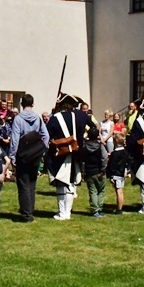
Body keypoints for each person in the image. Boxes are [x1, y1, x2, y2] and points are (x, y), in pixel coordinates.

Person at [46, 93, 92, 221]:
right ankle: (68, 212)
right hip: (76, 153)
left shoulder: (55, 118)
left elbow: (47, 134)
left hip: (60, 153)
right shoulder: (80, 116)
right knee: (71, 183)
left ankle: (62, 213)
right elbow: (93, 128)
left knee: (61, 183)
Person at [9, 93, 49, 223]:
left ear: (21, 104)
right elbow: (46, 135)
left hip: (23, 154)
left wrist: (12, 157)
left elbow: (15, 139)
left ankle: (26, 214)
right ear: (32, 104)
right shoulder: (38, 118)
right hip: (35, 154)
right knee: (32, 183)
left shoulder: (18, 119)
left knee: (23, 184)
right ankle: (30, 210)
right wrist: (42, 149)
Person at [82, 126, 106, 217]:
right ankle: (99, 208)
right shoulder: (100, 146)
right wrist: (103, 170)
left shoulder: (85, 146)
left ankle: (95, 210)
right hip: (99, 171)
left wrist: (83, 172)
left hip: (89, 171)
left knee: (93, 191)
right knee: (101, 191)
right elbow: (104, 158)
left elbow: (83, 160)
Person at [107, 133, 130, 214]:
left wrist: (111, 176)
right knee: (120, 190)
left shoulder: (115, 153)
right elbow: (128, 162)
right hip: (122, 173)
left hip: (116, 174)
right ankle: (119, 207)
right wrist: (127, 170)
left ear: (115, 142)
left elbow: (112, 165)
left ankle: (119, 209)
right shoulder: (125, 152)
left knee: (119, 191)